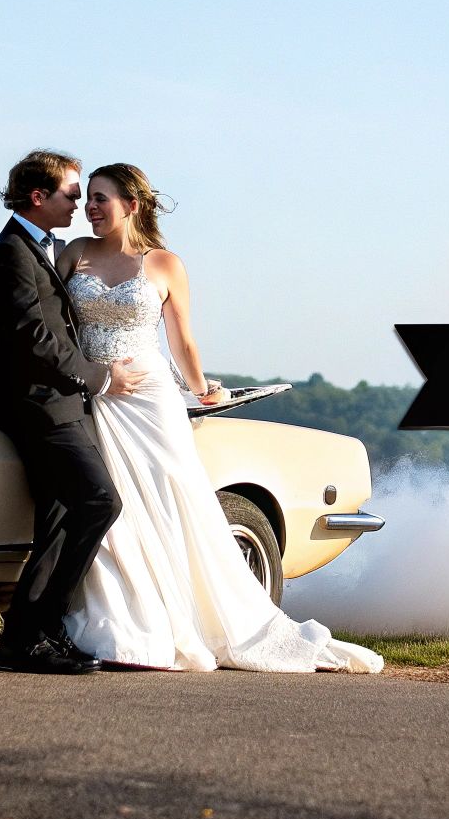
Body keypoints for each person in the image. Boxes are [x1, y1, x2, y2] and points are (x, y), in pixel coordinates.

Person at [55, 163, 383, 673]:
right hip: (95, 394)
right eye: (88, 198)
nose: (90, 208)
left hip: (149, 397)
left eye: (100, 199)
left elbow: (182, 339)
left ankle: (194, 617)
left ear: (131, 205)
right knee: (115, 510)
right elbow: (53, 328)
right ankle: (125, 624)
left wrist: (200, 387)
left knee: (170, 502)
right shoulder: (73, 255)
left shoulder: (164, 264)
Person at [0, 149, 146, 674]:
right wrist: (100, 377)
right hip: (39, 406)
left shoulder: (38, 249)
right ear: (38, 196)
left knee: (57, 521)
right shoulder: (10, 254)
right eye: (72, 193)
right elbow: (33, 338)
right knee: (100, 502)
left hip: (60, 403)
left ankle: (27, 640)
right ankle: (39, 629)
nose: (79, 203)